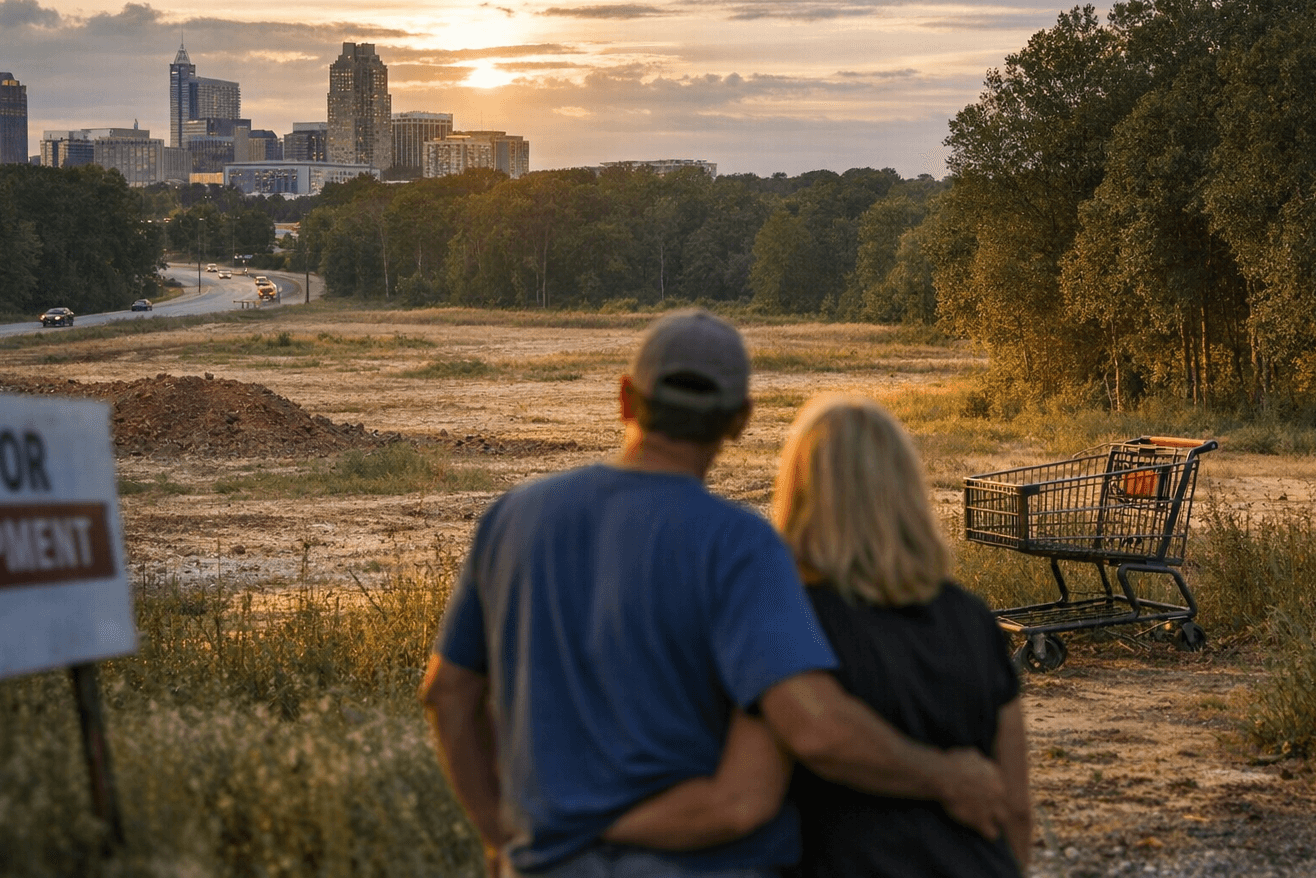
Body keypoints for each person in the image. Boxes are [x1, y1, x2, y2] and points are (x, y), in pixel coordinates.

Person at [421, 310, 1010, 878]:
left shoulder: (514, 517)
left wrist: (502, 834)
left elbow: (448, 694)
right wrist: (947, 776)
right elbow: (813, 731)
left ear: (627, 398)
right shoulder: (740, 545)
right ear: (740, 420)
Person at [606, 394, 1032, 876]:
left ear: (798, 492)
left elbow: (743, 800)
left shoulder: (789, 622)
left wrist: (581, 823)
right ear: (907, 491)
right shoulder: (972, 617)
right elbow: (1015, 808)